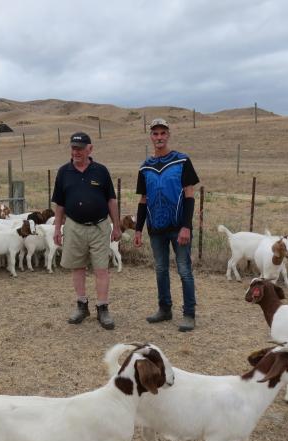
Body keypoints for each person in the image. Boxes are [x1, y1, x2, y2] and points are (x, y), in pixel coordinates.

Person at [133, 118, 200, 332]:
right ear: (151, 137)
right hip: (156, 228)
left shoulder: (181, 161)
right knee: (161, 269)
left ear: (168, 135)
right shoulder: (145, 167)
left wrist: (186, 226)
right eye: (155, 134)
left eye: (163, 133)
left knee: (184, 270)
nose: (159, 137)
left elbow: (189, 195)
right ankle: (164, 308)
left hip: (178, 227)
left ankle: (189, 314)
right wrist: (138, 229)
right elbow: (143, 200)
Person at [52, 132, 121, 330]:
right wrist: (57, 228)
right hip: (74, 226)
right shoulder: (63, 172)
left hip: (100, 226)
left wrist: (116, 225)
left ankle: (103, 308)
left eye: (80, 148)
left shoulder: (101, 171)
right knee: (77, 267)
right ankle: (82, 306)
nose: (76, 152)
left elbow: (111, 200)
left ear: (90, 149)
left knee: (101, 269)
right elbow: (60, 204)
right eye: (73, 148)